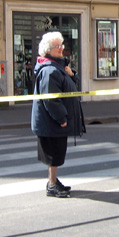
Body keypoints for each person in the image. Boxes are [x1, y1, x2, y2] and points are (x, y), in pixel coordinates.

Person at [31, 32, 85, 198]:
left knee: (56, 153)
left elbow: (67, 87)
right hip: (51, 121)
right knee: (54, 153)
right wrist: (61, 118)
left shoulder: (58, 67)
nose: (61, 48)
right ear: (48, 50)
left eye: (62, 45)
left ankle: (53, 181)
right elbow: (51, 99)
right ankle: (52, 184)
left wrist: (72, 75)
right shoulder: (50, 70)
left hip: (52, 121)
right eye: (57, 46)